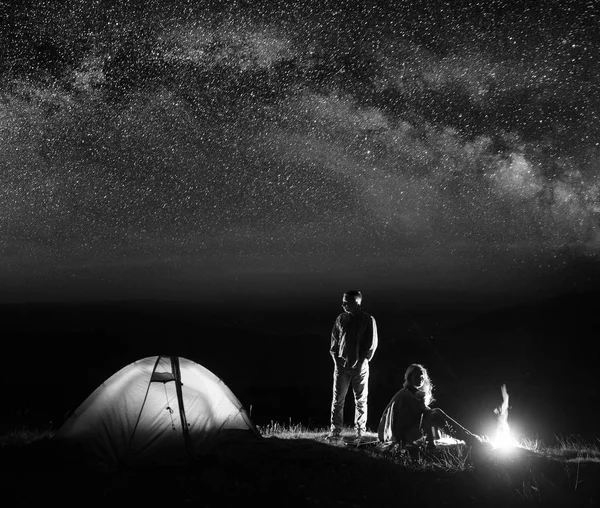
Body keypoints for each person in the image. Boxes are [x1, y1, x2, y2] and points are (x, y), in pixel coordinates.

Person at [377, 363, 483, 450]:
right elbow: (401, 422)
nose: (420, 379)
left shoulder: (415, 393)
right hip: (401, 436)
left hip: (409, 432)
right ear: (410, 377)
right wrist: (401, 442)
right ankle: (468, 438)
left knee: (434, 413)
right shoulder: (405, 395)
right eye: (416, 376)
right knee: (434, 413)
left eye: (422, 377)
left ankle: (467, 437)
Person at [328, 290, 378, 440]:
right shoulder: (341, 318)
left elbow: (371, 344)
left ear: (357, 303)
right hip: (341, 367)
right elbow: (334, 341)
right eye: (343, 301)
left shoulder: (368, 319)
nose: (342, 304)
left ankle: (360, 431)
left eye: (346, 302)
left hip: (360, 368)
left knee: (361, 400)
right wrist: (337, 361)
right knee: (338, 400)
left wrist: (362, 362)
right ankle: (335, 431)